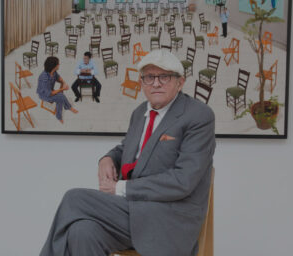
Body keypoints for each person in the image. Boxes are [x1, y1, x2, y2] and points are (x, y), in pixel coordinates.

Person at [40, 50, 216, 256]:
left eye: (164, 77)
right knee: (81, 231)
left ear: (180, 82)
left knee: (74, 199)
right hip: (132, 214)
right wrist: (107, 158)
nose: (156, 83)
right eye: (149, 77)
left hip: (168, 219)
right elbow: (128, 148)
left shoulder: (198, 116)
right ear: (142, 82)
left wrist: (121, 188)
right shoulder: (140, 112)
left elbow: (182, 180)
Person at [37, 56, 78, 124]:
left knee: (60, 96)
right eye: (58, 64)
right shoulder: (44, 77)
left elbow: (59, 78)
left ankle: (67, 108)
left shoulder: (54, 72)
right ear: (54, 66)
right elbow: (50, 93)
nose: (59, 65)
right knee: (60, 97)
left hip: (50, 90)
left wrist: (63, 82)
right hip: (44, 94)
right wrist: (62, 89)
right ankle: (61, 114)